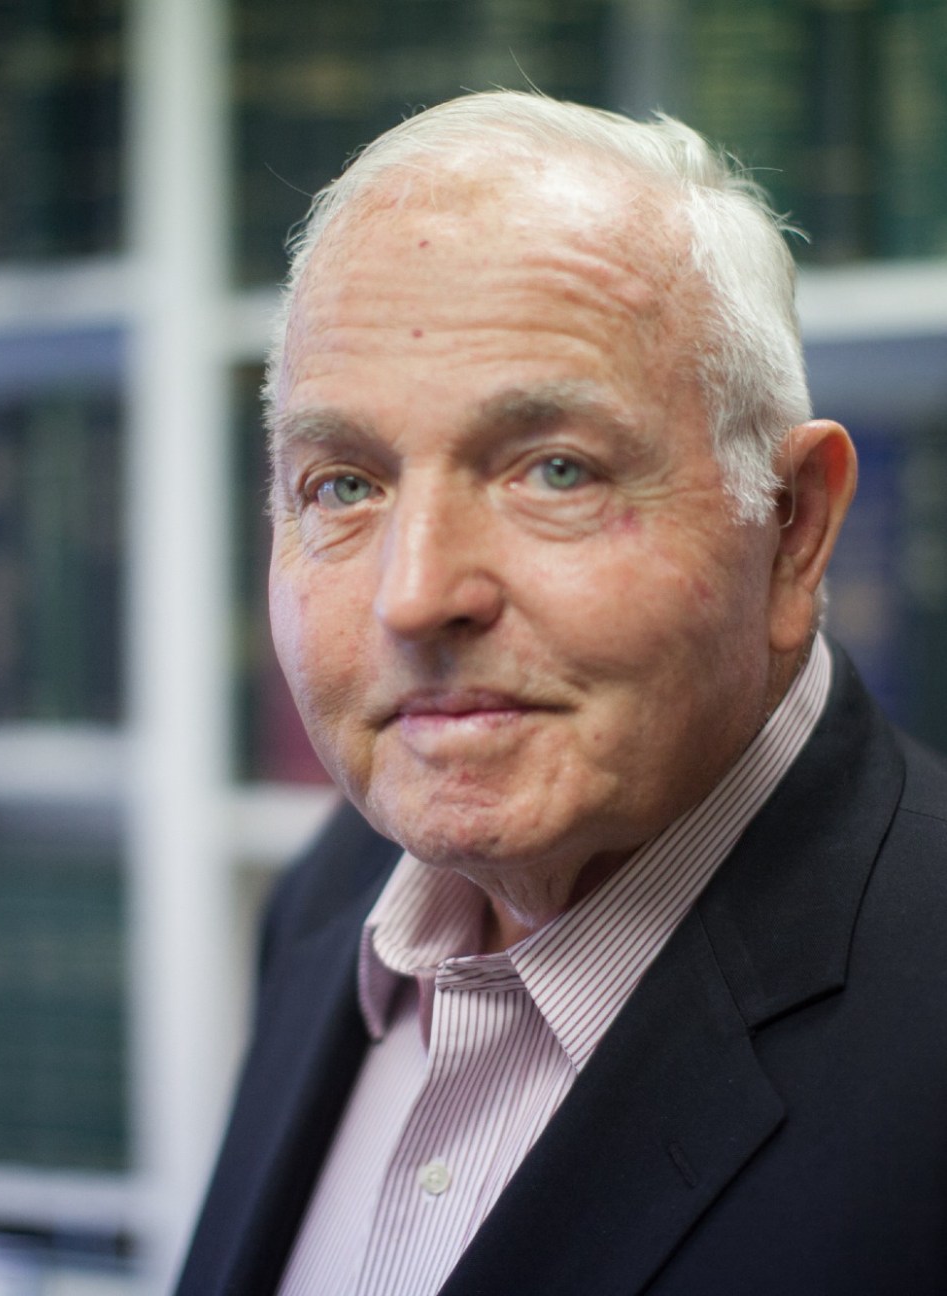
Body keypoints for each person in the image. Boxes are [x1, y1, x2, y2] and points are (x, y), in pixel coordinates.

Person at [177, 92, 947, 1295]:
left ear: (792, 527)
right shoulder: (330, 894)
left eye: (554, 471)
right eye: (343, 486)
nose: (416, 597)